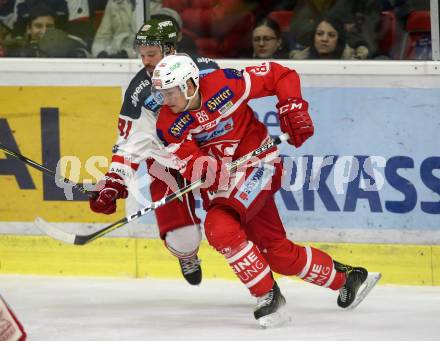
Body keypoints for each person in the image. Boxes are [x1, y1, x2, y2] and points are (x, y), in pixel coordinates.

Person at [153, 55, 381, 327]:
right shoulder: (168, 124)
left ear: (190, 85)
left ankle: (268, 297)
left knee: (220, 227)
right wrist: (205, 170)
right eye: (162, 93)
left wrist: (292, 108)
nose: (165, 100)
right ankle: (349, 278)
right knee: (278, 255)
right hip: (224, 186)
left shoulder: (225, 84)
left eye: (170, 92)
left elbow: (281, 75)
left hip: (259, 167)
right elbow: (191, 162)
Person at [88, 18, 219, 286]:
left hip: (209, 154)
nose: (145, 61)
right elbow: (129, 142)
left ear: (170, 50)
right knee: (182, 239)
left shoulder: (205, 70)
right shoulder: (139, 93)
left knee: (234, 219)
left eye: (152, 54)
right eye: (142, 55)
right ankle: (187, 254)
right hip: (165, 161)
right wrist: (114, 181)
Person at [290, 16, 358, 59]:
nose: (324, 39)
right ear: (313, 37)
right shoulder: (299, 62)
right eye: (319, 34)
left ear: (339, 39)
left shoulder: (352, 63)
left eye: (331, 35)